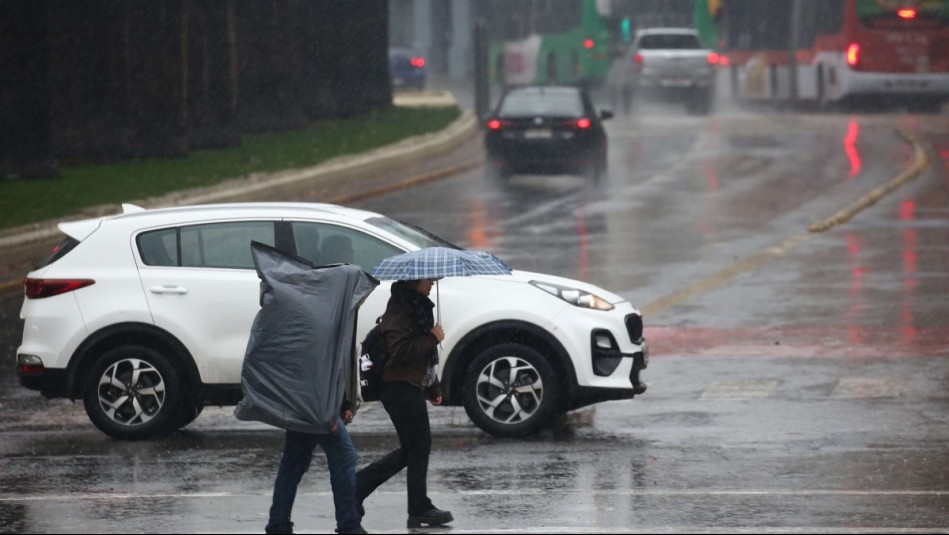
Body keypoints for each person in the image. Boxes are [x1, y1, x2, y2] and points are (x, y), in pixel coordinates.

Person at [354, 278, 454, 529]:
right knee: (417, 447)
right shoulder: (400, 309)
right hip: (397, 387)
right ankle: (416, 507)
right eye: (428, 279)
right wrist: (432, 338)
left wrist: (432, 387)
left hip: (408, 385)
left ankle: (360, 487)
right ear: (414, 281)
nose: (432, 282)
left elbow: (421, 357)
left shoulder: (417, 306)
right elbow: (400, 352)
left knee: (414, 448)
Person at [266, 405, 366, 534]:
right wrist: (332, 413)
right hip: (320, 409)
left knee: (292, 465)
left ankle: (278, 524)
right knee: (344, 459)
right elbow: (322, 385)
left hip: (299, 407)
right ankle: (349, 526)